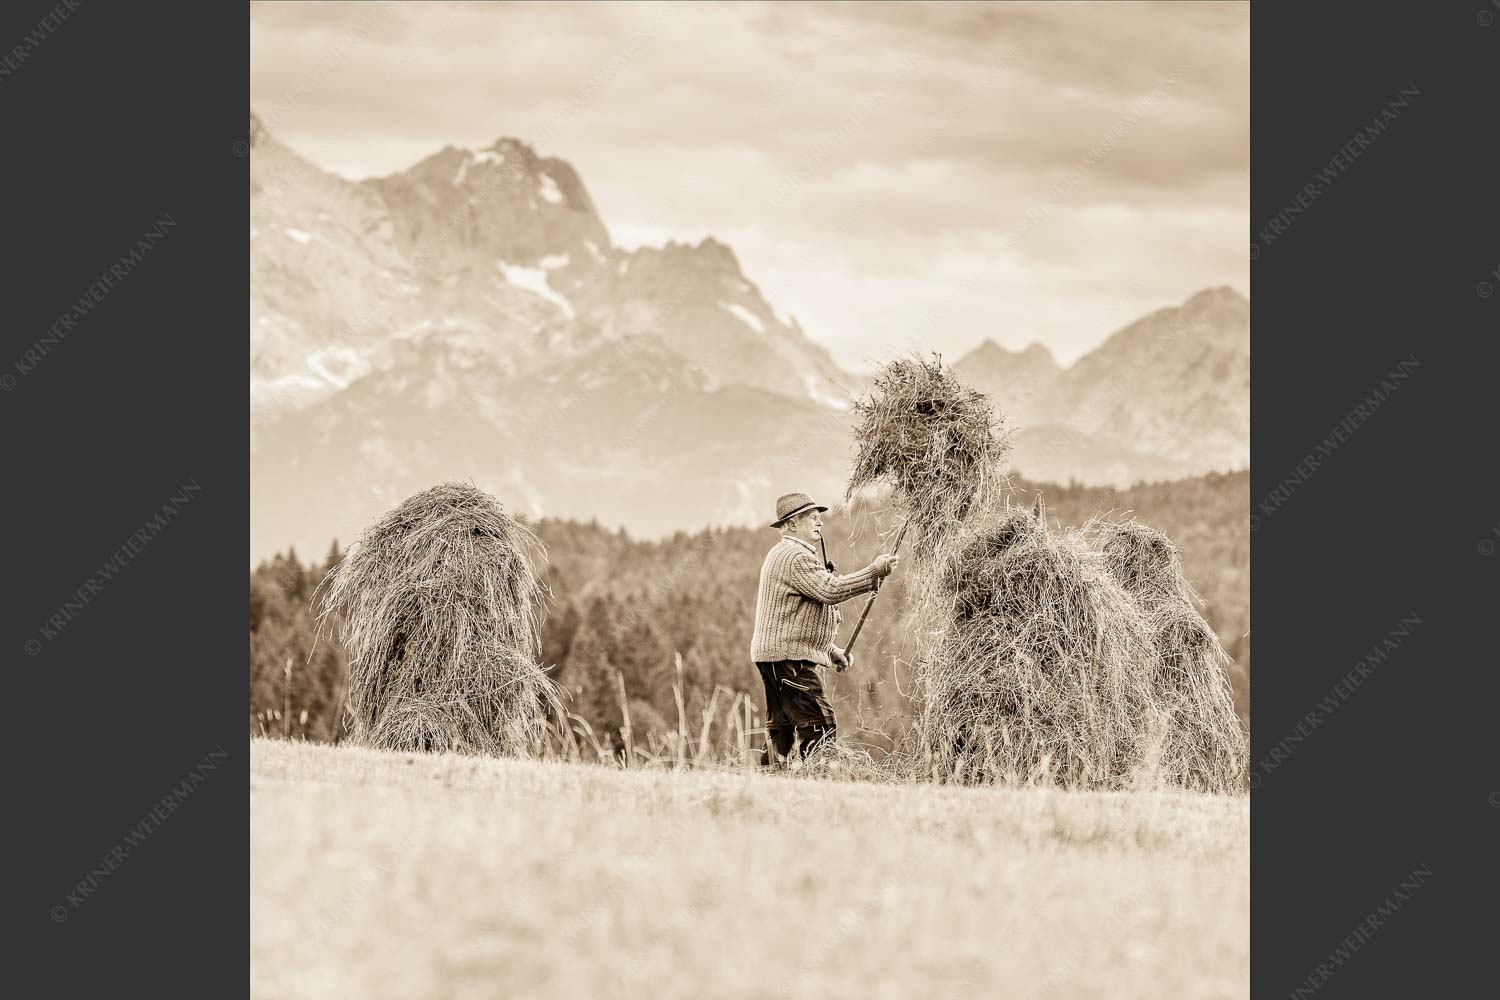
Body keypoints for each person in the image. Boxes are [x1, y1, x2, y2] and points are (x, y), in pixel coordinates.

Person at [749, 492, 899, 766]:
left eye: (819, 519)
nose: (820, 524)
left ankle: (771, 779)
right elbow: (828, 589)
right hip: (789, 659)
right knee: (820, 723)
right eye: (813, 519)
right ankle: (816, 777)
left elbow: (796, 617)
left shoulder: (788, 554)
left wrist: (830, 651)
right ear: (792, 524)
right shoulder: (794, 556)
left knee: (782, 729)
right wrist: (873, 572)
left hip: (777, 656)